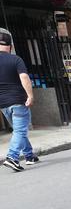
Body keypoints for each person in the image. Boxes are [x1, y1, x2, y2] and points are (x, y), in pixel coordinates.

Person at [0, 29, 37, 172]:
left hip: (3, 103)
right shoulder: (16, 59)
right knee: (20, 130)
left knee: (19, 130)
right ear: (10, 46)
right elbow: (24, 77)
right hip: (18, 100)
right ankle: (12, 157)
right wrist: (30, 96)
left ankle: (29, 155)